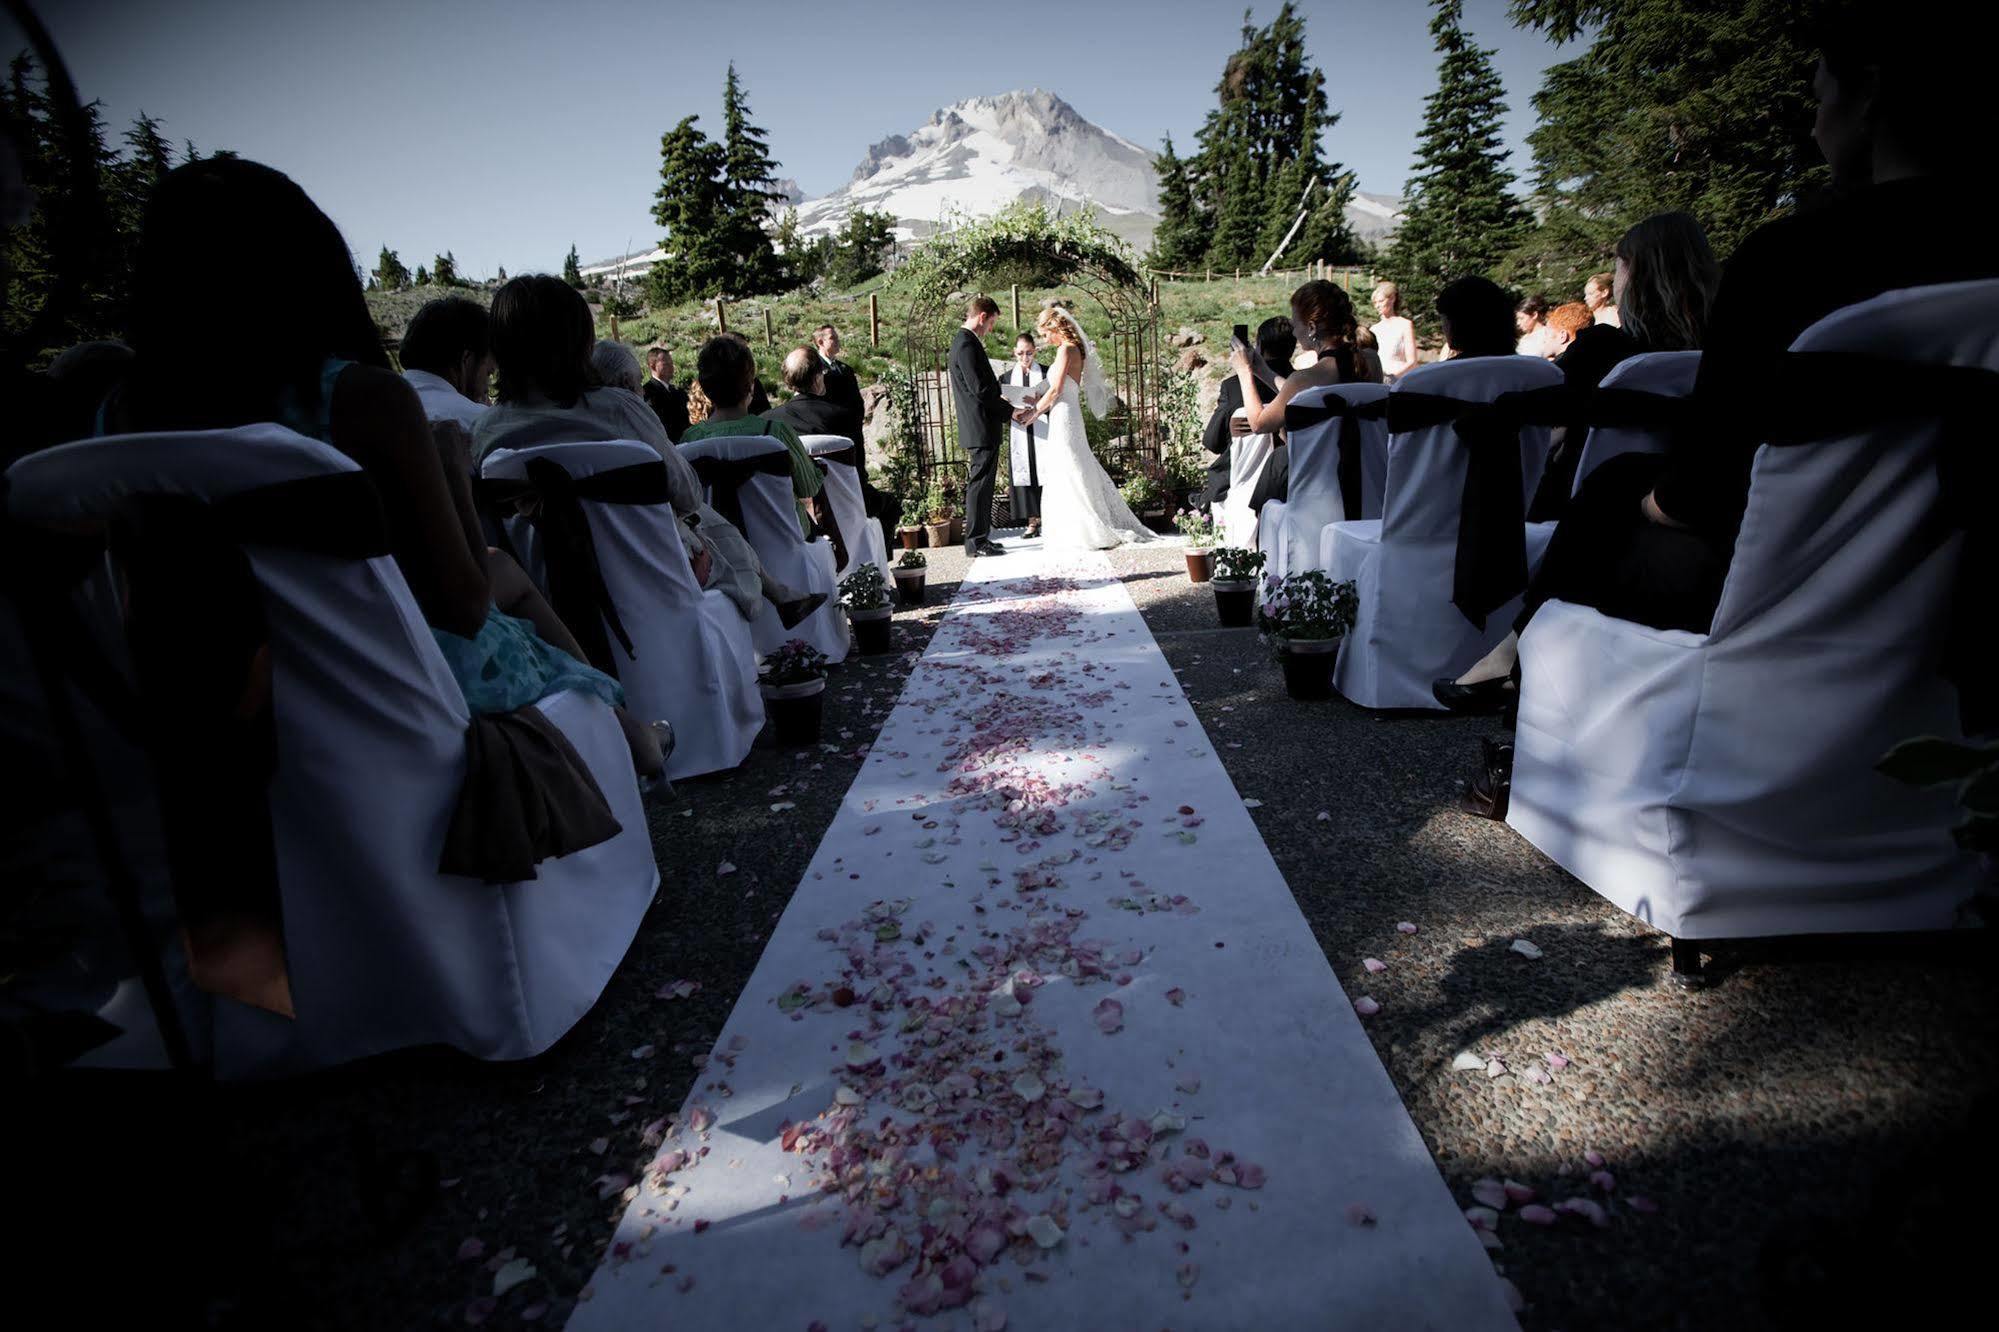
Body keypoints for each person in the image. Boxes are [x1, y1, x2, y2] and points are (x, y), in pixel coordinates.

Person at [1439, 7, 1999, 810]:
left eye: (1817, 99)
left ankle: (1521, 723)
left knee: (1611, 501)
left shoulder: (1796, 258)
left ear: (1867, 94)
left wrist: (1646, 502)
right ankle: (1515, 662)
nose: (1811, 126)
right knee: (1619, 482)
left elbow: (1699, 495)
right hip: (1963, 583)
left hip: (1783, 583)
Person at [109, 160, 661, 775]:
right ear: (310, 268)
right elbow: (462, 606)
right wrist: (451, 473)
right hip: (390, 681)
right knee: (517, 631)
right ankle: (630, 732)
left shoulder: (122, 413)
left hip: (207, 696)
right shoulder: (360, 400)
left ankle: (632, 734)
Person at [475, 276, 822, 628]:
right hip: (655, 575)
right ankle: (776, 600)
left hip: (544, 590)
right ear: (579, 341)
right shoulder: (618, 409)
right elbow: (686, 495)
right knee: (708, 526)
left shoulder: (486, 431)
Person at [1525, 214, 1720, 522]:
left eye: (1617, 267)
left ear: (1633, 275)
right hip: (1701, 505)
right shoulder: (1729, 354)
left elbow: (1536, 405)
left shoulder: (1602, 349)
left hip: (1587, 512)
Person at [1016, 304, 1153, 550]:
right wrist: (1030, 398)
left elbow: (1057, 390)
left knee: (1072, 464)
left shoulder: (1067, 350)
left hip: (1065, 414)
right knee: (1069, 465)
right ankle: (1072, 526)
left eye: (1046, 333)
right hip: (1061, 413)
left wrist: (1035, 413)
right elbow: (1049, 386)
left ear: (1055, 328)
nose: (1045, 339)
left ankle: (1088, 526)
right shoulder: (1069, 349)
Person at [680, 336, 828, 543]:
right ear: (751, 386)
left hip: (722, 550)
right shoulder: (775, 433)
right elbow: (809, 488)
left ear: (704, 388)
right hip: (783, 544)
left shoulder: (690, 441)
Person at [1236, 281, 1365, 514]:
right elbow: (1309, 395)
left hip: (1320, 489)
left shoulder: (1307, 377)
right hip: (1364, 481)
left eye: (1296, 324)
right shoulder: (1368, 363)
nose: (1295, 332)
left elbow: (1258, 423)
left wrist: (1245, 374)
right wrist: (1264, 372)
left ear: (1312, 327)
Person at [1200, 316, 1293, 508]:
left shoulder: (1233, 387)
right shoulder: (1300, 384)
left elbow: (1212, 442)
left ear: (1258, 346)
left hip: (1237, 482)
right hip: (1290, 477)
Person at [947, 296, 1008, 556]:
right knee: (979, 485)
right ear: (982, 316)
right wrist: (1010, 410)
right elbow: (981, 390)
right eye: (991, 322)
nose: (990, 329)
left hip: (982, 425)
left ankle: (981, 536)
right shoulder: (966, 344)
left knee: (984, 484)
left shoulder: (966, 343)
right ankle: (975, 541)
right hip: (980, 426)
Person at [399, 297, 493, 429]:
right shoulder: (477, 421)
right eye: (488, 373)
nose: (486, 387)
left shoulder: (373, 405)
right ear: (466, 360)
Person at [768, 344, 864, 449]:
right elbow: (855, 461)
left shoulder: (767, 422)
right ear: (817, 377)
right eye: (823, 372)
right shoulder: (844, 420)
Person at [1001, 332, 1049, 535]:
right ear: (1014, 352)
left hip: (1043, 426)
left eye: (1029, 353)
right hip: (1021, 427)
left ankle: (1049, 517)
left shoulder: (1046, 373)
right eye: (1020, 353)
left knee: (1045, 470)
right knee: (1026, 472)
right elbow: (1001, 405)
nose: (1025, 358)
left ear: (1035, 352)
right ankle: (1032, 521)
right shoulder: (1006, 378)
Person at [813, 324, 866, 424]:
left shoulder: (846, 369)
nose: (837, 341)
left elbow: (857, 402)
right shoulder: (814, 369)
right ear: (820, 342)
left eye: (837, 337)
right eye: (832, 338)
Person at [1370, 280, 1418, 380]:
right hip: (1378, 381)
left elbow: (1412, 362)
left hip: (1399, 381)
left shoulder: (1405, 324)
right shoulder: (1374, 329)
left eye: (1381, 301)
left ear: (1392, 299)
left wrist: (1392, 377)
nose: (1377, 305)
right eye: (1375, 302)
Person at [642, 346, 690, 442]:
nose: (672, 367)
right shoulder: (648, 393)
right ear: (652, 366)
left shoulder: (677, 392)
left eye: (671, 363)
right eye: (666, 364)